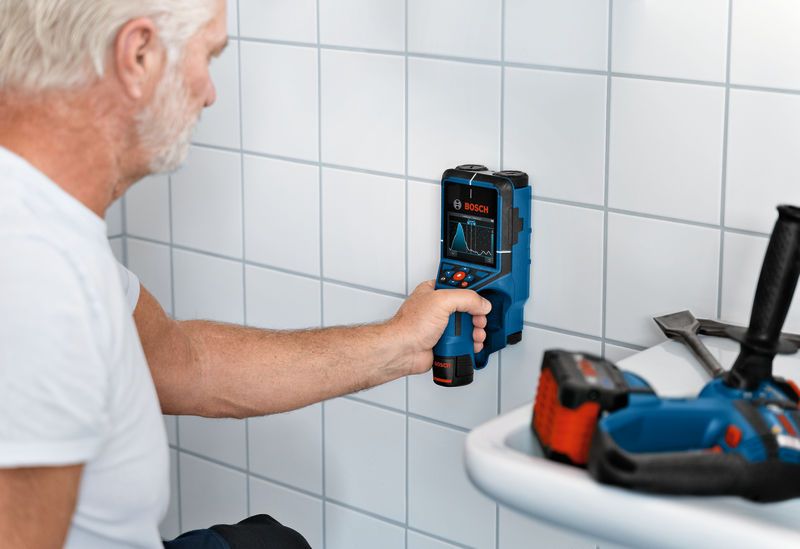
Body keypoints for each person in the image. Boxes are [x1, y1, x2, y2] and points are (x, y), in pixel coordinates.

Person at [0, 0, 491, 547]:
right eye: (206, 57)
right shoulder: (37, 273)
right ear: (137, 55)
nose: (210, 92)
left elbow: (186, 363)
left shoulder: (40, 222)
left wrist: (400, 343)